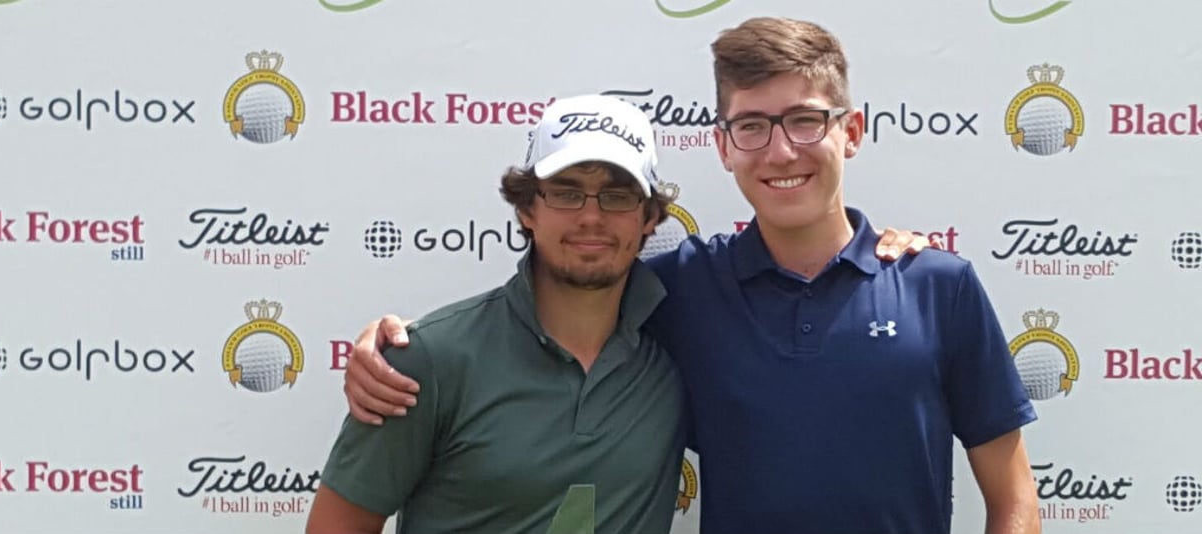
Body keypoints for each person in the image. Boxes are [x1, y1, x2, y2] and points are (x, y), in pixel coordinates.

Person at [339, 16, 1040, 534]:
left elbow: (1012, 497)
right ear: (723, 146)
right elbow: (547, 305)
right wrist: (386, 343)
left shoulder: (937, 285)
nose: (780, 149)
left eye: (804, 121)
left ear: (850, 133)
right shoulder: (678, 290)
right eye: (753, 126)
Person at [306, 94, 691, 534]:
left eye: (617, 196)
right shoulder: (426, 360)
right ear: (528, 209)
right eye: (566, 193)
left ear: (649, 217)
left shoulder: (679, 349)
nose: (591, 217)